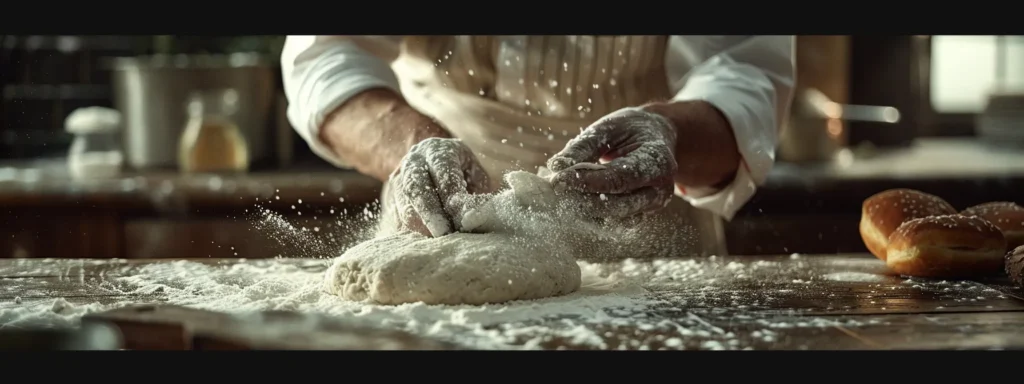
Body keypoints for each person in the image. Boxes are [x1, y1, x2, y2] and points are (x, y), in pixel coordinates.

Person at [281, 36, 795, 243]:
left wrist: (673, 132)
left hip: (652, 248)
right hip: (435, 223)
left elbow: (746, 68)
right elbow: (325, 54)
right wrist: (412, 145)